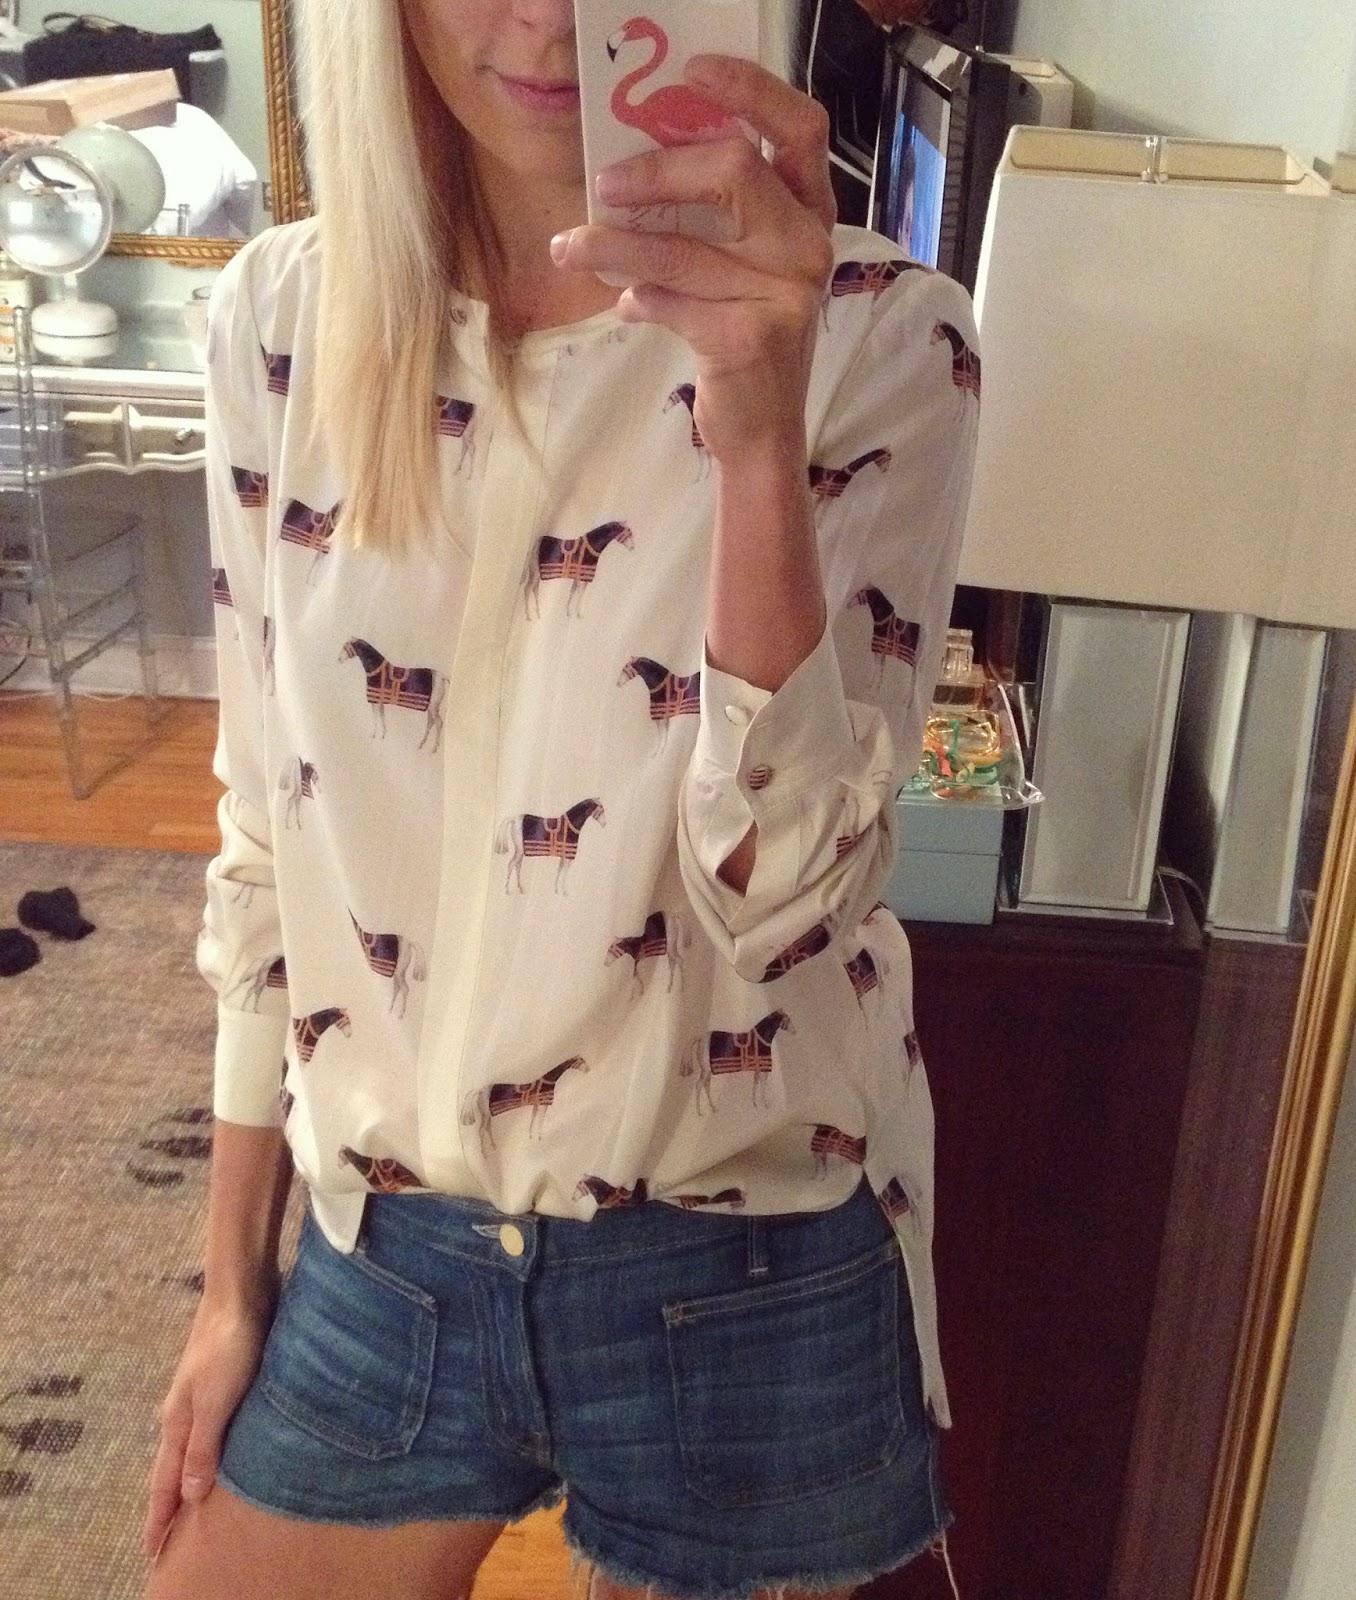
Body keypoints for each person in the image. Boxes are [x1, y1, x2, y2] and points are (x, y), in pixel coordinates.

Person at [141, 0, 980, 1596]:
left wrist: (756, 435)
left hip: (745, 1265)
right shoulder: (281, 320)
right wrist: (230, 1288)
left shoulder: (878, 337)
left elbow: (786, 899)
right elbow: (266, 836)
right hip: (387, 1256)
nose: (545, 17)